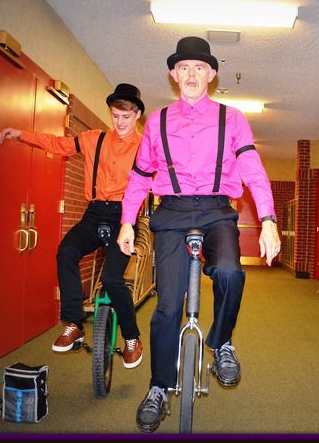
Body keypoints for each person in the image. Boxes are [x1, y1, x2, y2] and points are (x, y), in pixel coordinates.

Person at [117, 36, 281, 433]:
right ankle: (158, 387)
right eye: (184, 68)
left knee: (229, 271)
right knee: (168, 308)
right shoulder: (155, 121)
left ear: (211, 74)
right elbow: (140, 176)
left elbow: (254, 171)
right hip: (171, 214)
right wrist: (126, 219)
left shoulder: (233, 118)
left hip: (217, 211)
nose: (191, 74)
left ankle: (221, 341)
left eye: (200, 68)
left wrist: (270, 218)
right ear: (174, 75)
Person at [0, 83, 146, 369]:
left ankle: (131, 338)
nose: (120, 122)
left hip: (124, 217)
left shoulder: (146, 146)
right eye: (115, 116)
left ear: (137, 114)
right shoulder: (93, 139)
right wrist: (21, 134)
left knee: (113, 279)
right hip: (93, 213)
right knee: (66, 251)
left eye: (126, 117)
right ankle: (74, 323)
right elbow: (58, 144)